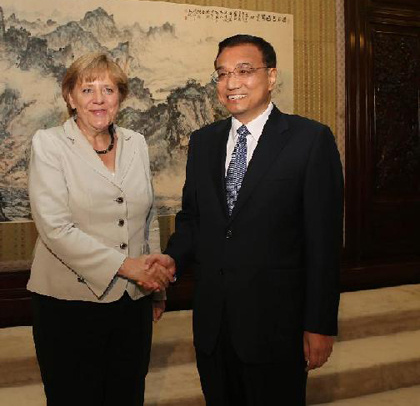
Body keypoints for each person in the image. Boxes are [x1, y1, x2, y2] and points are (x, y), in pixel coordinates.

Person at [147, 34, 344, 405]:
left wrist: (319, 325)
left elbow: (324, 243)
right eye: (221, 74)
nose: (231, 82)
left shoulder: (310, 140)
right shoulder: (203, 142)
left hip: (277, 329)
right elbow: (193, 220)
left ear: (271, 77)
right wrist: (172, 260)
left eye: (244, 71)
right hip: (213, 325)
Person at [27, 53, 174, 406]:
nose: (98, 98)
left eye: (108, 89)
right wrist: (127, 267)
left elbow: (146, 216)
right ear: (70, 97)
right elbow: (55, 228)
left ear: (120, 97)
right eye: (87, 88)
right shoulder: (48, 144)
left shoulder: (136, 142)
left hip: (132, 302)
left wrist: (153, 284)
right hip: (68, 305)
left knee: (126, 395)